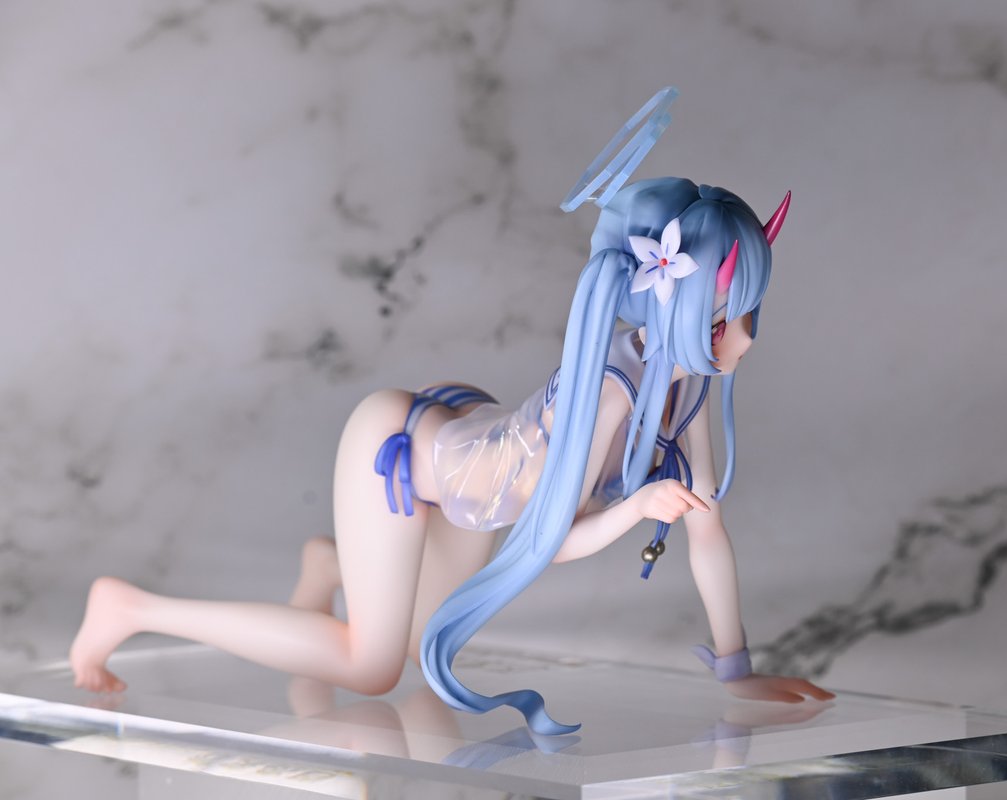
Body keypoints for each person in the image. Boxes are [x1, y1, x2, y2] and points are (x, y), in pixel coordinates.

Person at [70, 93, 833, 735]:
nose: (747, 337)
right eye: (727, 319)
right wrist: (634, 508)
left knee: (413, 654)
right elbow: (547, 539)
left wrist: (735, 670)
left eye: (747, 313)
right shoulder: (615, 393)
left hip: (478, 464)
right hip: (406, 452)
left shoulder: (687, 383)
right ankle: (133, 608)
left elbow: (707, 529)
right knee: (372, 670)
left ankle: (330, 567)